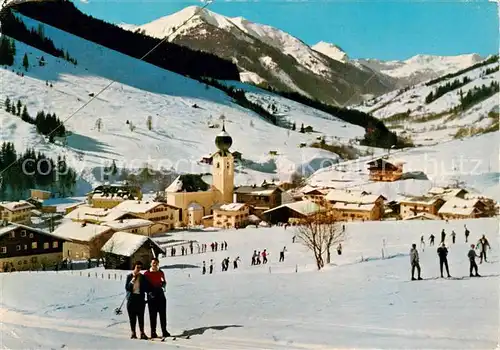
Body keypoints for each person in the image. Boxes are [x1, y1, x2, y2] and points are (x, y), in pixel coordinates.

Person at [144, 258, 170, 339]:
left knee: (163, 314)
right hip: (151, 295)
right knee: (153, 315)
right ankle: (153, 332)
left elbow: (164, 282)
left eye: (156, 263)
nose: (154, 264)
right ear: (150, 264)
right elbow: (144, 286)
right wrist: (149, 292)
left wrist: (163, 284)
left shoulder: (161, 272)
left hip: (160, 294)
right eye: (153, 263)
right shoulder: (146, 274)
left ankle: (164, 330)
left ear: (158, 264)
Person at [125, 261, 149, 340]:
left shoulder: (142, 277)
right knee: (132, 317)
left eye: (140, 267)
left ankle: (142, 333)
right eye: (137, 267)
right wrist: (132, 280)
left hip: (140, 299)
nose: (139, 269)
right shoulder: (129, 276)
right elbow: (127, 288)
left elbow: (146, 288)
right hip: (131, 299)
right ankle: (133, 333)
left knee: (141, 317)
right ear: (134, 267)